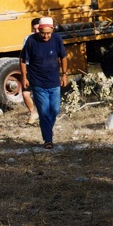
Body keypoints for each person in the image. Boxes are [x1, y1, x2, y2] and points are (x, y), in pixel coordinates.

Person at [20, 17, 68, 149]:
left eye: (48, 33)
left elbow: (63, 57)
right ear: (38, 30)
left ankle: (48, 129)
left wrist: (64, 74)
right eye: (42, 33)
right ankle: (48, 139)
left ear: (52, 30)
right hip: (38, 82)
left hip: (54, 81)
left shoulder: (57, 39)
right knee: (44, 112)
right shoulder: (31, 41)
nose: (45, 36)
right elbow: (23, 60)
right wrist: (24, 77)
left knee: (55, 110)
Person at [21, 18, 40, 124]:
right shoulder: (28, 39)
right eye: (34, 29)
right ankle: (33, 112)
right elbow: (23, 56)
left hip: (40, 69)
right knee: (25, 94)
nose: (36, 31)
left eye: (38, 28)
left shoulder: (46, 39)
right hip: (29, 68)